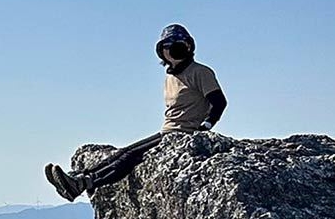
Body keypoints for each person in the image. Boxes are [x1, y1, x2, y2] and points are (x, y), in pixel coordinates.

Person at [44, 24, 226, 202]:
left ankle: (83, 183)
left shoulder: (200, 72)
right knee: (124, 152)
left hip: (183, 133)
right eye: (168, 46)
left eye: (179, 45)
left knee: (130, 158)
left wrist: (206, 126)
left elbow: (218, 102)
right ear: (162, 52)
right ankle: (77, 179)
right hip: (168, 131)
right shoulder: (170, 77)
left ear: (189, 46)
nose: (174, 50)